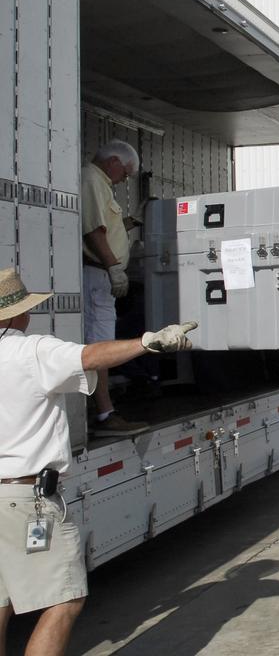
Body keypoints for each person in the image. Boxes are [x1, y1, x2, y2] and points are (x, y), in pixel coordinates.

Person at [0, 267, 196, 656]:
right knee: (65, 599)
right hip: (25, 500)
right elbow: (90, 355)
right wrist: (148, 342)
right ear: (15, 314)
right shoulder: (29, 350)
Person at [81, 140, 148, 436]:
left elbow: (107, 226)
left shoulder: (98, 183)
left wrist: (134, 221)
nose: (125, 178)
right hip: (97, 275)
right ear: (114, 162)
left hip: (100, 275)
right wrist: (113, 266)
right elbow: (95, 229)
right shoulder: (92, 179)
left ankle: (101, 408)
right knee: (101, 346)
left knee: (100, 341)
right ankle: (105, 413)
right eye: (126, 172)